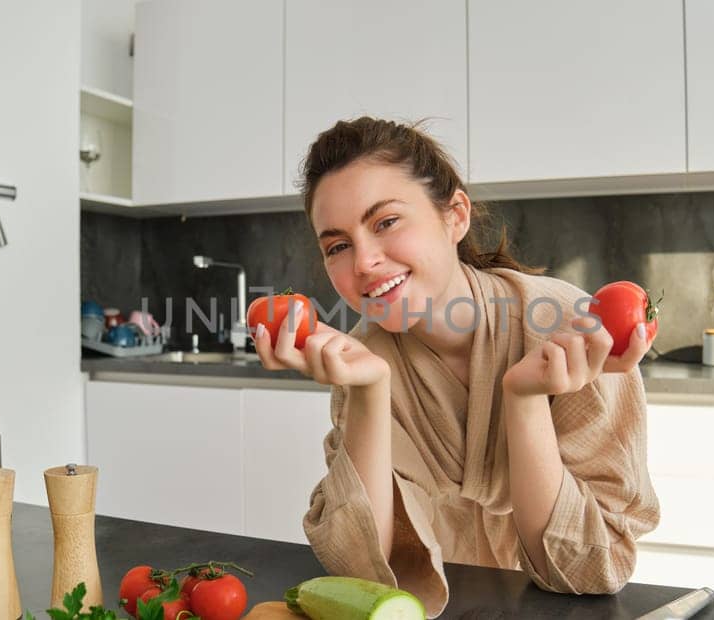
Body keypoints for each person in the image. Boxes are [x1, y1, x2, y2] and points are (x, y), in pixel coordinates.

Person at [251, 117, 659, 618]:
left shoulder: (574, 332)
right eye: (337, 245)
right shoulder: (361, 360)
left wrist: (525, 399)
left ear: (455, 216)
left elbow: (592, 570)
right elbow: (360, 577)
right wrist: (370, 392)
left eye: (385, 222)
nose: (363, 262)